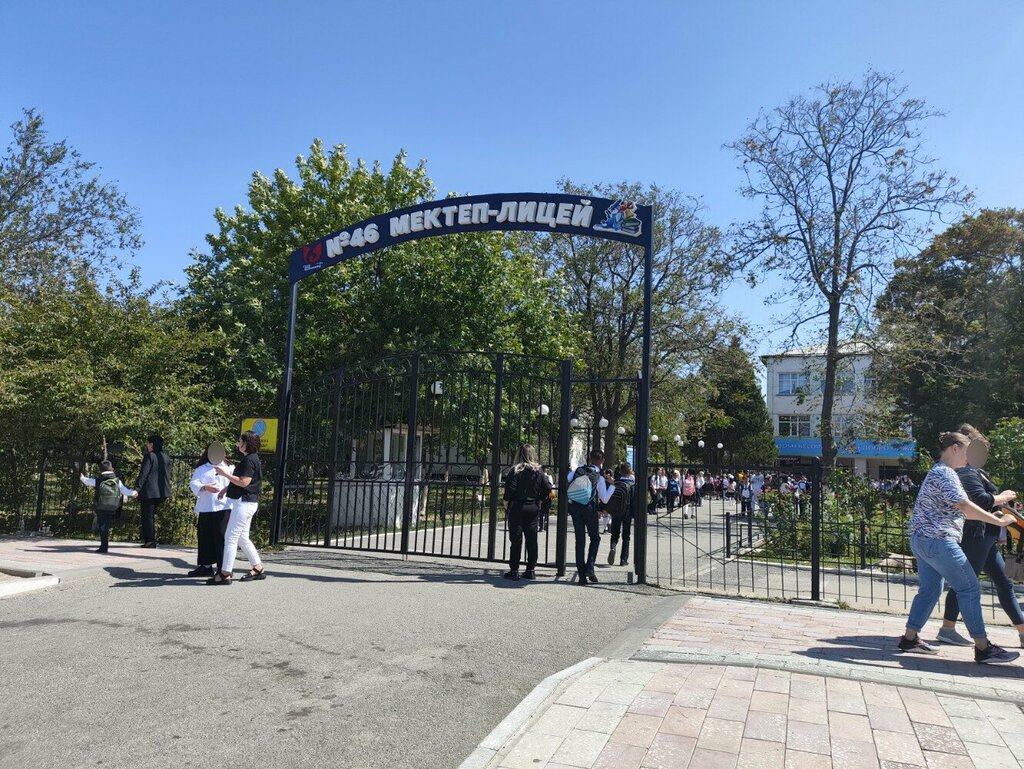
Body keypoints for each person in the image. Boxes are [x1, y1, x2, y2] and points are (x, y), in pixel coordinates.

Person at [898, 431, 1019, 664]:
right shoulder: (946, 473)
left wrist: (990, 516)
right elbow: (964, 505)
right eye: (968, 452)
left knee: (930, 590)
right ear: (955, 448)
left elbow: (963, 508)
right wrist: (998, 522)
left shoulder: (938, 471)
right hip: (939, 540)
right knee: (970, 588)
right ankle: (983, 648)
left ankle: (910, 639)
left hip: (922, 540)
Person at [936, 427, 1024, 647]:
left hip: (985, 537)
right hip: (977, 535)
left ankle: (1022, 632)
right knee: (966, 584)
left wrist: (1003, 505)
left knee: (1004, 583)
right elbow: (979, 499)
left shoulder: (973, 471)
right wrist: (1002, 497)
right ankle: (948, 629)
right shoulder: (967, 472)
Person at [209, 431, 265, 585]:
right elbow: (245, 481)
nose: (238, 443)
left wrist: (225, 474)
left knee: (230, 537)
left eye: (241, 440)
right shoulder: (252, 458)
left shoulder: (249, 460)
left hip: (244, 503)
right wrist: (226, 489)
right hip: (248, 502)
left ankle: (225, 573)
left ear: (247, 444)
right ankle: (258, 568)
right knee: (242, 537)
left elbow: (244, 482)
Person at [501, 444, 553, 581]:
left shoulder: (515, 470)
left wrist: (506, 501)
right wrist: (540, 500)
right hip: (533, 508)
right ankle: (530, 570)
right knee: (532, 539)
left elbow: (510, 488)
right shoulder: (538, 471)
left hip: (517, 507)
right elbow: (548, 488)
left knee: (516, 539)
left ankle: (514, 570)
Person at [187, 442, 234, 577]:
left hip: (224, 507)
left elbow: (234, 483)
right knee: (205, 537)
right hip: (206, 507)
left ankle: (222, 567)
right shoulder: (202, 468)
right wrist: (205, 487)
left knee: (221, 537)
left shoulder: (230, 468)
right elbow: (194, 483)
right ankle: (205, 566)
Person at [567, 449, 613, 585]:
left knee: (579, 541)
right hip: (589, 508)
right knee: (595, 538)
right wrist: (612, 485)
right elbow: (604, 498)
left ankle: (581, 577)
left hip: (575, 507)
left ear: (589, 458)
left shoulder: (579, 470)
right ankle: (590, 567)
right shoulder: (599, 477)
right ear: (602, 461)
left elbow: (568, 478)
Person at [79, 460, 137, 553]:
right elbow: (125, 491)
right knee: (107, 524)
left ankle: (104, 546)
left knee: (103, 525)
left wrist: (82, 478)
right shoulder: (117, 480)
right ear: (112, 469)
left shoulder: (99, 480)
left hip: (101, 505)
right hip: (113, 505)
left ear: (100, 470)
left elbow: (88, 482)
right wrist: (134, 493)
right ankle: (107, 541)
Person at [135, 434, 173, 548]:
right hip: (162, 492)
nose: (147, 446)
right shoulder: (166, 457)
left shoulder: (149, 456)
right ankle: (151, 539)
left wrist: (137, 488)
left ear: (151, 444)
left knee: (147, 515)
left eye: (147, 443)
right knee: (151, 515)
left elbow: (144, 473)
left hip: (149, 492)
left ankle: (150, 540)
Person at [606, 462, 636, 567]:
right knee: (626, 536)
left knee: (615, 534)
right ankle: (623, 559)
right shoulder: (632, 485)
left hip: (615, 512)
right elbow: (633, 501)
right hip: (627, 512)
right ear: (630, 471)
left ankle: (613, 546)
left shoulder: (616, 483)